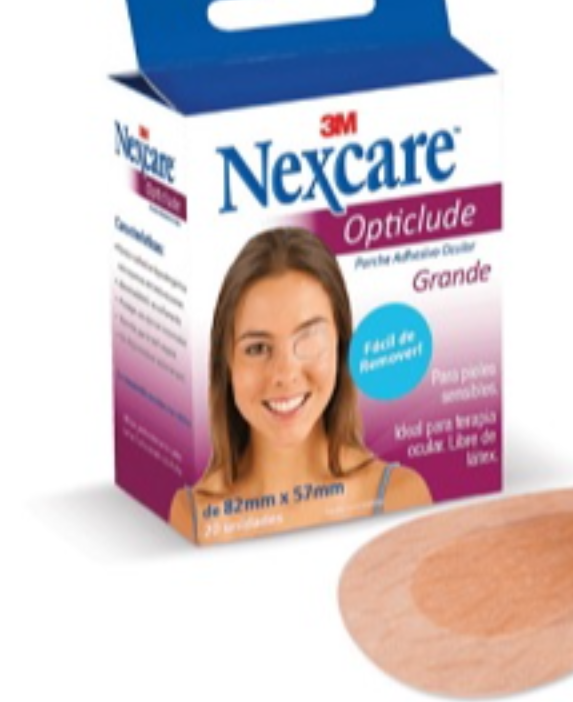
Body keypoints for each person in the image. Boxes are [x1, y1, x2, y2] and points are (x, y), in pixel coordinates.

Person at [170, 227, 431, 544]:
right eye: (257, 348)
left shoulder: (400, 498)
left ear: (341, 344)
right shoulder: (192, 518)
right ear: (226, 361)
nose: (285, 374)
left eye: (308, 338)